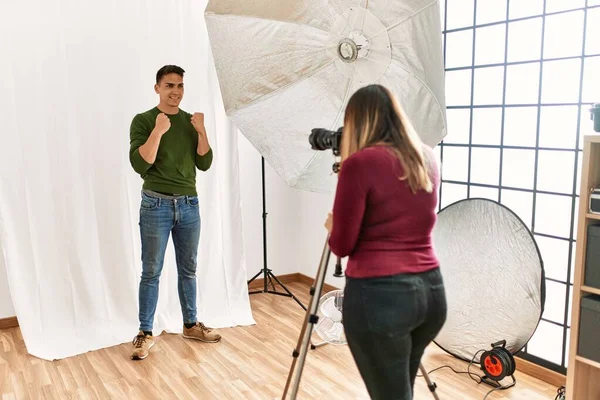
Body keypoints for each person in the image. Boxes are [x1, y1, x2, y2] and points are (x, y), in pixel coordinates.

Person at [324, 84, 447, 399]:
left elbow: (342, 245)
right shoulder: (429, 159)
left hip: (381, 298)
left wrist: (333, 224)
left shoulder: (359, 164)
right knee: (399, 389)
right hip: (430, 294)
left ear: (357, 123)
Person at [128, 65, 221, 360]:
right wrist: (158, 130)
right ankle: (144, 333)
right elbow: (141, 164)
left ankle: (191, 324)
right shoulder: (143, 121)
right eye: (169, 85)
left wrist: (201, 130)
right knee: (151, 271)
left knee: (189, 270)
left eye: (180, 86)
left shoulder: (189, 121)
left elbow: (204, 163)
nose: (176, 92)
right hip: (155, 204)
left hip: (189, 205)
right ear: (157, 88)